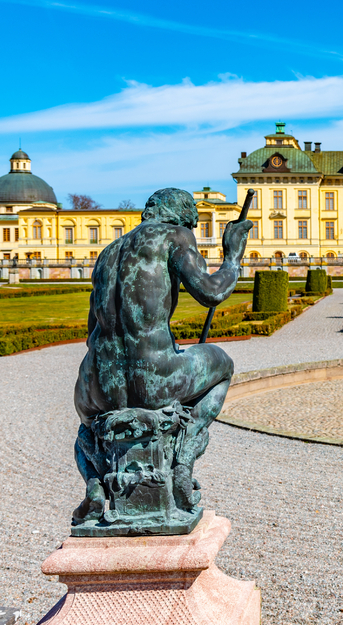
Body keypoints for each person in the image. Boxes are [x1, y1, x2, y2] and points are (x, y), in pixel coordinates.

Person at [72, 188, 251, 524]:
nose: (195, 226)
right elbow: (212, 293)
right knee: (224, 365)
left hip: (95, 386)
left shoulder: (109, 251)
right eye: (193, 218)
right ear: (181, 215)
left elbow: (90, 331)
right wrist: (232, 256)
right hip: (154, 380)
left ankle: (95, 486)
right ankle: (183, 460)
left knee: (86, 427)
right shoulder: (176, 236)